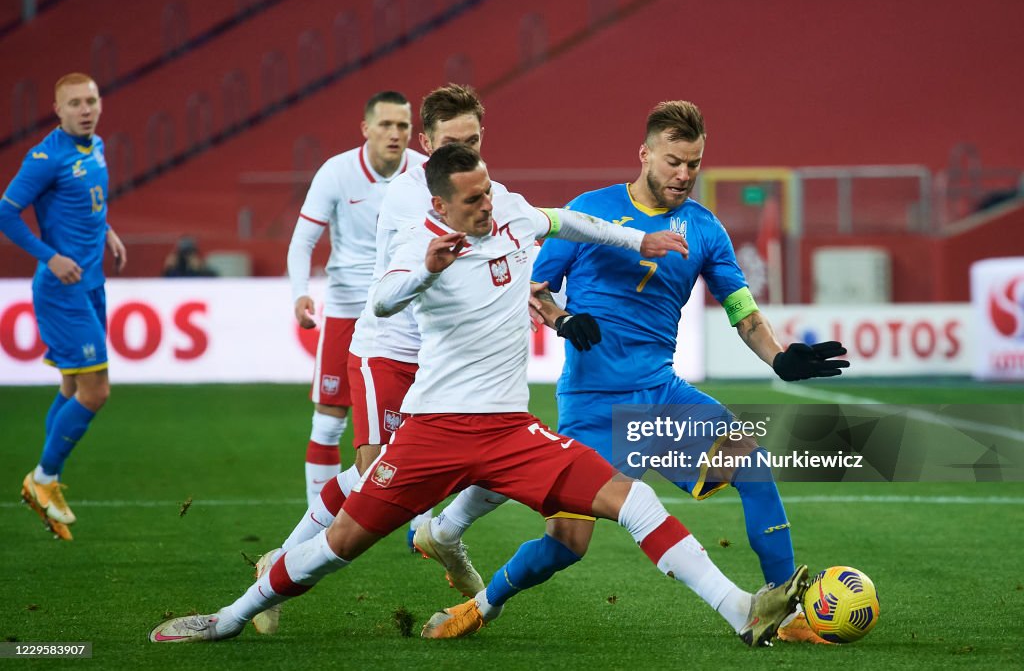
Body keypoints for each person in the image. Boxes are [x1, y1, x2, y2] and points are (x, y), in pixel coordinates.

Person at [149, 142, 809, 648]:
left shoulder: (515, 212)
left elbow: (577, 224)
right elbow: (382, 297)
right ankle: (231, 616)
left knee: (630, 497)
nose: (486, 207)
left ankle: (740, 609)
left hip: (508, 430)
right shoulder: (419, 245)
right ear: (441, 206)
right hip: (434, 431)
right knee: (339, 544)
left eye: (487, 192)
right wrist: (422, 275)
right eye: (472, 201)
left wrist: (640, 237)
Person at [425, 101, 849, 642]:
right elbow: (531, 287)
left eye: (694, 164)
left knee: (753, 465)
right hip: (592, 403)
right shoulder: (591, 210)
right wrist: (562, 318)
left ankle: (784, 614)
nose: (684, 174)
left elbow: (742, 309)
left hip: (662, 396)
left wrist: (780, 356)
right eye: (674, 161)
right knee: (566, 544)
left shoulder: (706, 230)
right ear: (645, 154)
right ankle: (482, 606)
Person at [247, 84, 527, 637]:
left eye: (472, 142)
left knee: (460, 457)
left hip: (436, 358)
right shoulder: (409, 194)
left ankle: (439, 533)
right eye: (452, 143)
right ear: (427, 143)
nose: (463, 155)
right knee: (377, 473)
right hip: (388, 348)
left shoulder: (476, 192)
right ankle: (280, 568)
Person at [0, 72, 127, 542]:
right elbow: (4, 212)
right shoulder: (45, 158)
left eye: (91, 100)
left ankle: (45, 479)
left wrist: (106, 229)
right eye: (74, 103)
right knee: (96, 392)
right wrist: (49, 256)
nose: (85, 109)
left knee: (75, 385)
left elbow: (86, 204)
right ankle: (43, 479)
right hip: (61, 288)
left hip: (92, 283)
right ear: (57, 110)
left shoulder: (96, 147)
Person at [286, 91, 426, 507]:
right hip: (349, 309)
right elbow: (303, 241)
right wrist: (300, 295)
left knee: (422, 421)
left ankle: (420, 524)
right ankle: (318, 518)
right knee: (328, 424)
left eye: (402, 125)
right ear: (366, 128)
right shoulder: (337, 172)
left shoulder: (424, 172)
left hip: (408, 311)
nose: (395, 133)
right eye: (385, 124)